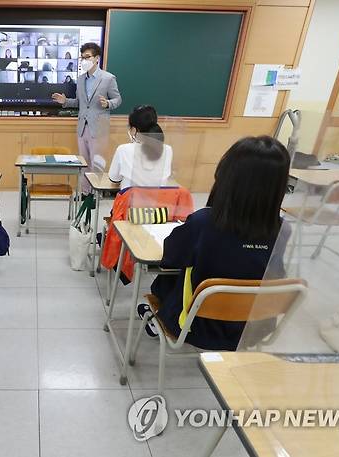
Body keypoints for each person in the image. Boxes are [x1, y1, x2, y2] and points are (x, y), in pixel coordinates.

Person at [142, 136, 291, 351]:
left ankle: (153, 317)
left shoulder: (203, 223)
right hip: (251, 329)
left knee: (168, 279)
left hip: (194, 326)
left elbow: (170, 257)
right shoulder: (283, 230)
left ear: (227, 177)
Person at [52, 42, 122, 194]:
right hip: (82, 127)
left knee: (97, 164)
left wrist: (108, 103)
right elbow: (79, 103)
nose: (84, 60)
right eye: (82, 57)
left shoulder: (108, 78)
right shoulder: (81, 79)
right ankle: (85, 193)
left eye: (87, 57)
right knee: (84, 163)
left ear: (97, 58)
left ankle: (95, 194)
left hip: (100, 127)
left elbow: (118, 99)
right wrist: (65, 102)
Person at [108, 105, 172, 189]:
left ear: (134, 130)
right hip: (158, 200)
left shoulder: (123, 150)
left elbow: (114, 179)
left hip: (130, 201)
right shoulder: (167, 150)